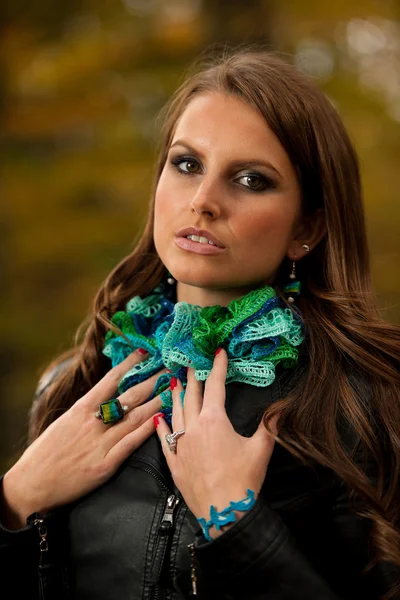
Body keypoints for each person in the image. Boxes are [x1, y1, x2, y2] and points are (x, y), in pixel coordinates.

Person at [0, 46, 399, 600]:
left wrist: (236, 527)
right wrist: (14, 501)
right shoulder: (74, 381)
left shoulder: (367, 404)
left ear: (305, 228)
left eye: (251, 180)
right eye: (187, 165)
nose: (204, 202)